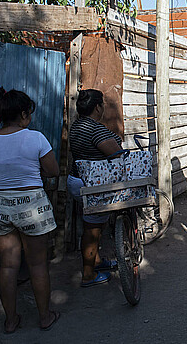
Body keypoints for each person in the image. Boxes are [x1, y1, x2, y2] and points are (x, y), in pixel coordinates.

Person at [0, 87, 61, 333]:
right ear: (23, 114)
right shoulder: (36, 138)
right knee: (38, 265)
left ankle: (10, 321)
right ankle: (45, 317)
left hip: (1, 205)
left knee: (8, 266)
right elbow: (53, 171)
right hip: (32, 204)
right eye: (28, 113)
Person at [67, 89, 124, 287]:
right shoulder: (95, 129)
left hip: (77, 180)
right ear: (98, 107)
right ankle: (88, 274)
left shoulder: (77, 126)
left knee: (94, 224)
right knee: (92, 229)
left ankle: (97, 261)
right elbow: (116, 154)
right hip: (92, 184)